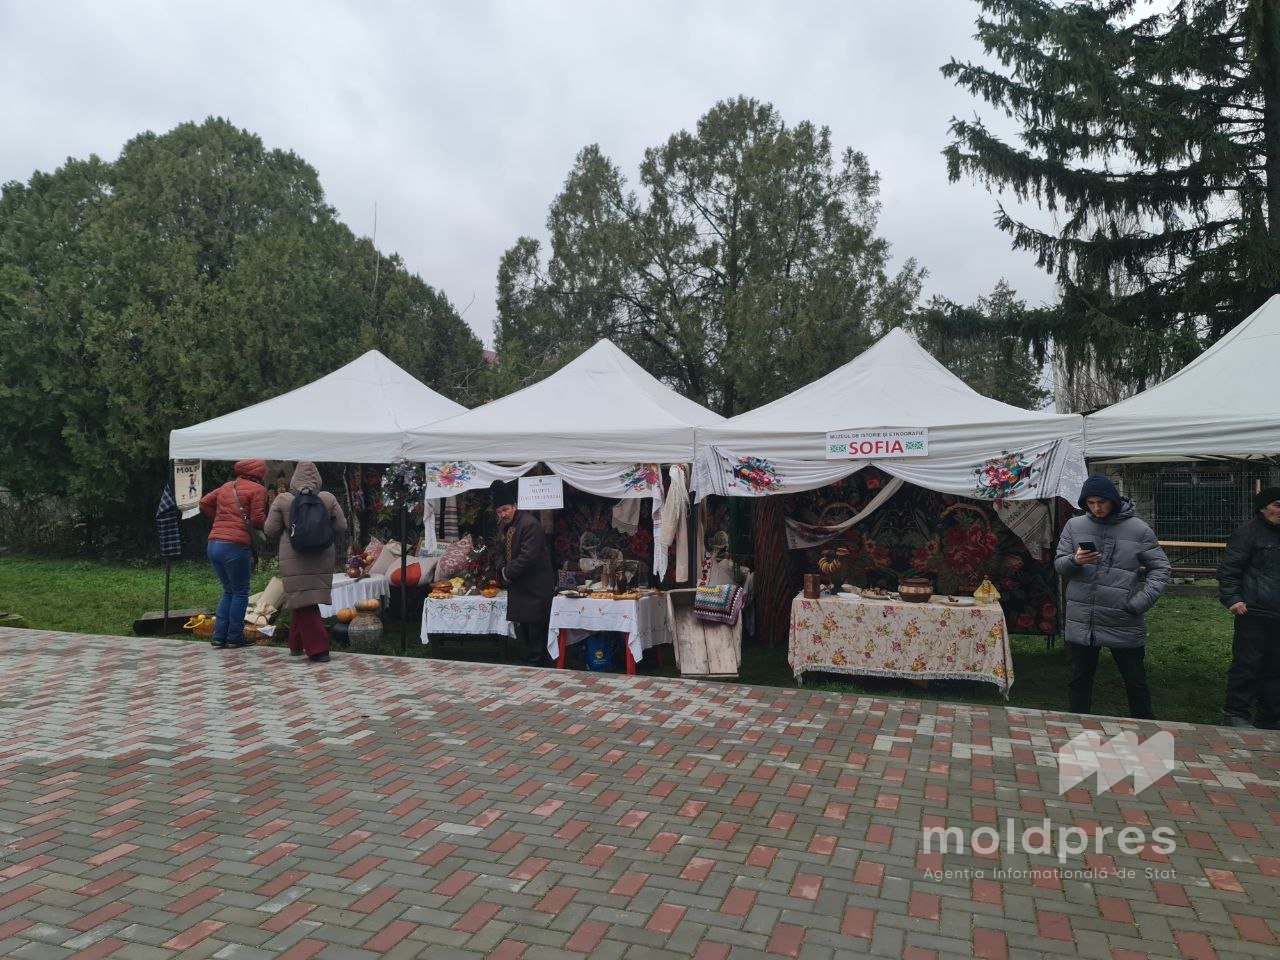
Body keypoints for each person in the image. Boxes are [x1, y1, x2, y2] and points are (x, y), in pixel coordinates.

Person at [1054, 475, 1171, 719]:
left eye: (1102, 502)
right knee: (1079, 680)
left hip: (1123, 617)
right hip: (1083, 619)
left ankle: (1145, 728)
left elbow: (1161, 568)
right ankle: (1076, 727)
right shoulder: (1074, 526)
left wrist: (1140, 602)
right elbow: (1059, 565)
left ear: (1113, 500)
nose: (1096, 508)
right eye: (1091, 503)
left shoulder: (1139, 530)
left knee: (1135, 681)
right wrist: (1075, 560)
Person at [265, 461, 348, 663]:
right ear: (317, 478)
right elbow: (342, 526)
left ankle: (319, 649)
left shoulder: (283, 499)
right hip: (322, 555)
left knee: (303, 601)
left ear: (294, 479)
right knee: (304, 600)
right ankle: (296, 644)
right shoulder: (328, 498)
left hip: (294, 557)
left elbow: (270, 530)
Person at [1217, 486, 1280, 729]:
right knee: (1247, 664)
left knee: (1276, 666)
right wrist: (1233, 599)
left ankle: (1270, 717)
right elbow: (1229, 570)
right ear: (1262, 508)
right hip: (1253, 610)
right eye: (1277, 505)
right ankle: (1236, 713)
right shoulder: (1247, 533)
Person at [199, 459, 268, 649]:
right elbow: (257, 519)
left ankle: (219, 636)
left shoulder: (226, 486)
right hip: (235, 547)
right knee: (240, 592)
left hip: (214, 544)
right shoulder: (258, 489)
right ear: (258, 473)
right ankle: (234, 636)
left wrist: (220, 520)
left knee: (229, 590)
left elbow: (204, 503)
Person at [491, 479, 555, 666]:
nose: (503, 514)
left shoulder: (529, 524)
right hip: (519, 582)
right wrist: (501, 568)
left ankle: (538, 659)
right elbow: (499, 551)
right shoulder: (504, 526)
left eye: (505, 509)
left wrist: (506, 573)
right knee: (525, 621)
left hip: (536, 583)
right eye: (499, 511)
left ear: (515, 506)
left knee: (536, 622)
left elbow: (528, 557)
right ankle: (531, 656)